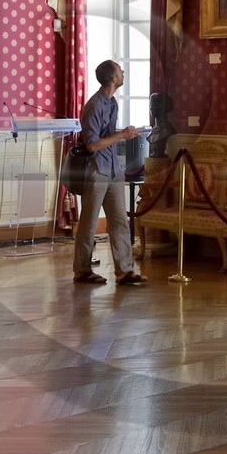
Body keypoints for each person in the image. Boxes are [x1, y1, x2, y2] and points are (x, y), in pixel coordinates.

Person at [73, 60, 146, 285]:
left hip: (114, 169)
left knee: (119, 222)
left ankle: (124, 271)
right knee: (89, 223)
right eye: (120, 70)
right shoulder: (94, 105)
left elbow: (106, 134)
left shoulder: (112, 103)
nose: (123, 72)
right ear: (113, 78)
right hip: (96, 170)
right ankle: (82, 271)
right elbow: (92, 144)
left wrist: (124, 133)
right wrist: (121, 136)